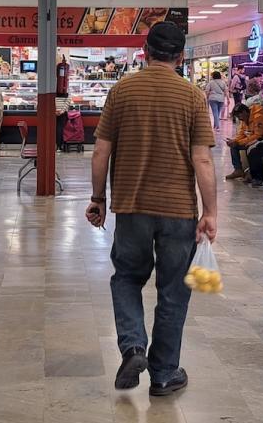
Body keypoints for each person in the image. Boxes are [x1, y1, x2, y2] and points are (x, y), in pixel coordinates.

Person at [86, 22, 217, 397]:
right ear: (181, 56)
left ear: (145, 51)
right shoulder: (193, 96)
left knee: (127, 278)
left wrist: (98, 199)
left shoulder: (122, 90)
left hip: (132, 208)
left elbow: (101, 151)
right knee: (173, 291)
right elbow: (202, 160)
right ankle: (163, 374)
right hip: (178, 211)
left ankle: (132, 347)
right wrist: (210, 212)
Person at [224, 103, 263, 180]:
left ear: (244, 112)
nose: (239, 118)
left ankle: (254, 174)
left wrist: (239, 142)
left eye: (239, 116)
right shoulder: (244, 119)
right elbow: (241, 133)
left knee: (251, 149)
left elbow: (258, 135)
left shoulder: (259, 117)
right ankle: (238, 170)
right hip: (254, 140)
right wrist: (234, 141)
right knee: (234, 147)